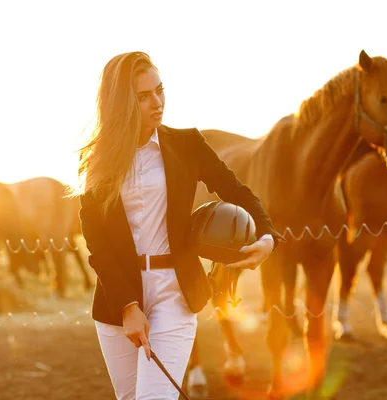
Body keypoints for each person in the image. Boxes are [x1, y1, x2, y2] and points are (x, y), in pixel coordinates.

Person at [73, 51, 283, 400]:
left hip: (175, 291)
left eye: (160, 90)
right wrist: (128, 306)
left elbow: (237, 191)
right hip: (116, 301)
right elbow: (98, 244)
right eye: (143, 97)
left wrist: (267, 236)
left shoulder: (187, 144)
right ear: (120, 103)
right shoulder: (94, 162)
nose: (157, 102)